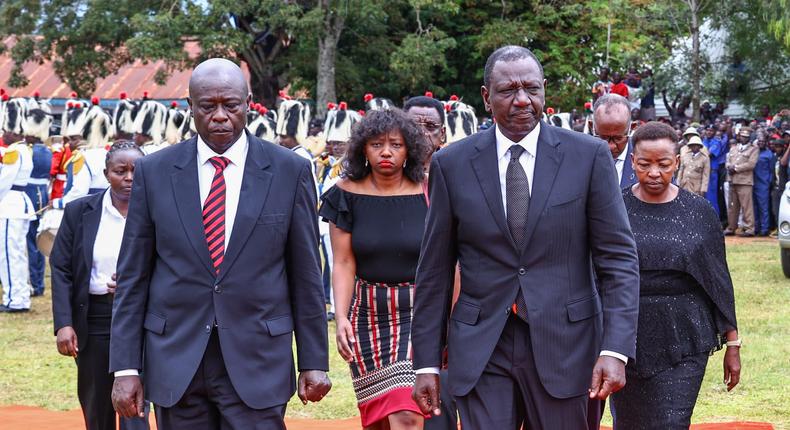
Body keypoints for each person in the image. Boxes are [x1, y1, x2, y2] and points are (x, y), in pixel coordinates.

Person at [411, 45, 640, 430]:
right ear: (486, 97)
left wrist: (615, 349)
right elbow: (434, 269)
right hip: (483, 346)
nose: (522, 100)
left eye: (531, 88)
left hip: (567, 345)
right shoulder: (452, 165)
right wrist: (427, 363)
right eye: (508, 90)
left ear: (544, 91)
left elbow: (618, 259)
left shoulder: (588, 157)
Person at [109, 58, 331, 429]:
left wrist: (313, 360)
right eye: (207, 106)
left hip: (258, 360)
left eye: (230, 105)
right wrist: (126, 367)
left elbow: (306, 272)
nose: (220, 116)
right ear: (189, 107)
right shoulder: (155, 171)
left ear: (248, 102)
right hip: (176, 361)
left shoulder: (289, 171)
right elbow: (134, 276)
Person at [611, 121, 741, 429]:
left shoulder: (699, 211)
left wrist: (733, 345)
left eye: (663, 164)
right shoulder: (613, 208)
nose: (654, 172)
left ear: (677, 162)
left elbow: (718, 281)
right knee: (629, 424)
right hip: (626, 335)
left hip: (686, 335)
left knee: (672, 422)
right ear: (632, 162)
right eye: (644, 164)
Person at [320, 108, 432, 430]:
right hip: (367, 315)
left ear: (409, 149)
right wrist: (340, 318)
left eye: (396, 144)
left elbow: (448, 259)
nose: (386, 152)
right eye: (377, 144)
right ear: (362, 149)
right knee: (381, 419)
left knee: (408, 411)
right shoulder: (345, 194)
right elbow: (342, 262)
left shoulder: (430, 192)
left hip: (418, 312)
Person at [50, 142, 150, 430]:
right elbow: (61, 268)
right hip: (94, 319)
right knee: (97, 406)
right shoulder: (79, 212)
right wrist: (64, 323)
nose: (129, 177)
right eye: (121, 171)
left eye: (136, 170)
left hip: (141, 319)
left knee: (135, 408)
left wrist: (135, 285)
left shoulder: (157, 213)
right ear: (106, 173)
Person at [0, 99, 35, 313]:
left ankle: (15, 299)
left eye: (6, 128)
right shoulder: (24, 149)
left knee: (9, 254)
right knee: (17, 254)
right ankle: (19, 295)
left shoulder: (14, 150)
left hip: (9, 205)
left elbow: (4, 182)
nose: (3, 133)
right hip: (17, 204)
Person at [21, 105, 54, 297]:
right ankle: (38, 281)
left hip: (29, 194)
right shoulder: (47, 150)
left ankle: (35, 282)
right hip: (42, 193)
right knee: (37, 241)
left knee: (32, 241)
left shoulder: (30, 150)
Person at [592, 94, 637, 188]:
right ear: (591, 127)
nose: (610, 146)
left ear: (631, 128)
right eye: (603, 138)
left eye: (618, 138)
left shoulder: (647, 159)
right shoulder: (578, 159)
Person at [724, 127, 759, 236]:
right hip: (732, 180)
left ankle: (749, 229)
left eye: (746, 137)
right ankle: (731, 227)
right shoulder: (733, 148)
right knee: (732, 206)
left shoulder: (754, 149)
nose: (743, 138)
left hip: (745, 181)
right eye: (742, 136)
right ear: (739, 136)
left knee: (746, 206)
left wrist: (735, 168)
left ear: (749, 138)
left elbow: (751, 164)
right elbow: (727, 161)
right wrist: (729, 166)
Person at [703, 125, 727, 219]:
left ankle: (714, 218)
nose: (709, 132)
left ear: (714, 132)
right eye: (707, 130)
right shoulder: (703, 140)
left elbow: (708, 154)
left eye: (711, 130)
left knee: (712, 196)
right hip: (702, 172)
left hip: (712, 172)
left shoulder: (716, 142)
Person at [753, 136, 775, 236]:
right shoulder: (754, 152)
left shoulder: (769, 154)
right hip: (752, 183)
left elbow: (772, 170)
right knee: (755, 207)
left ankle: (765, 229)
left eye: (763, 141)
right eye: (759, 141)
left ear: (766, 142)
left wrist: (769, 182)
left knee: (763, 207)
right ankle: (756, 228)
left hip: (763, 184)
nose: (761, 143)